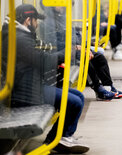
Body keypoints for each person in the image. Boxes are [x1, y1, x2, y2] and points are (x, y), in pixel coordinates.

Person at [2, 4, 89, 153]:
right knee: (73, 102)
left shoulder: (19, 35)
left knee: (79, 96)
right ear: (29, 20)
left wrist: (63, 54)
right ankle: (57, 139)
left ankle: (63, 136)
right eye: (36, 21)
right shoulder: (19, 38)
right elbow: (43, 61)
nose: (37, 24)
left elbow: (39, 58)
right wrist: (66, 52)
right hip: (24, 92)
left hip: (30, 85)